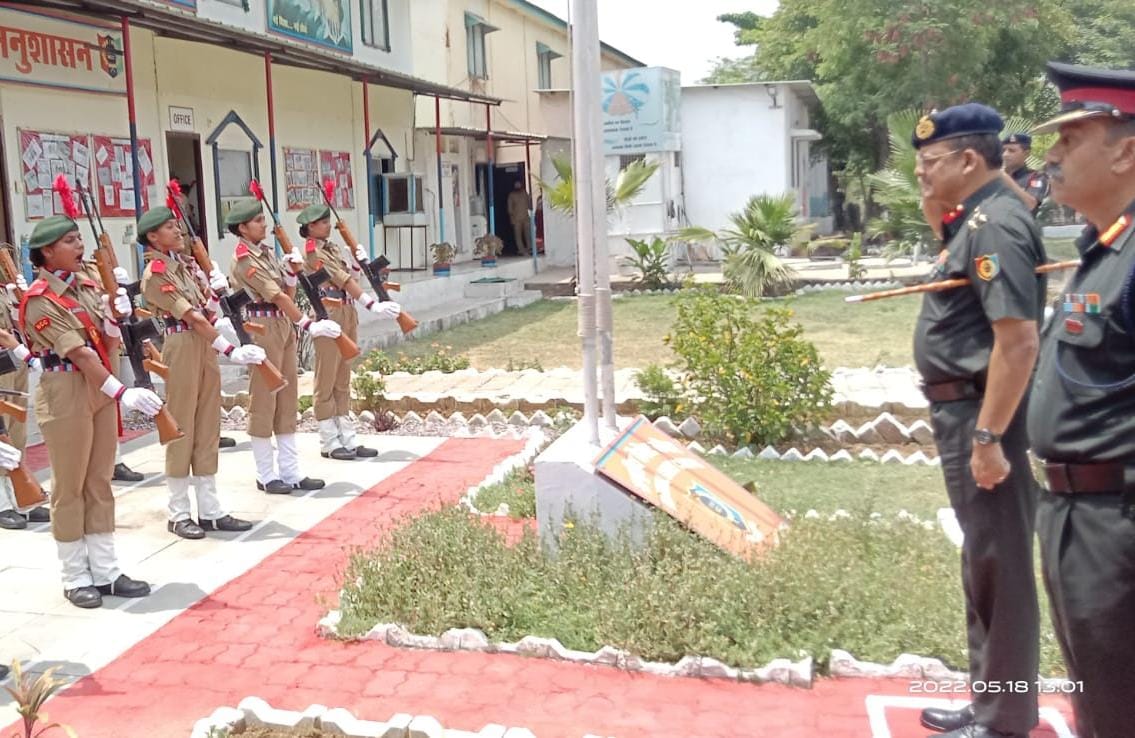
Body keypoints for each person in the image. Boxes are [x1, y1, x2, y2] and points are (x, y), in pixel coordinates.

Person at [910, 104, 1045, 738]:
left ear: (969, 159)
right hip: (963, 410)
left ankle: (1005, 718)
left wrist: (989, 438)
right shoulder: (971, 221)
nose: (921, 174)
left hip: (982, 414)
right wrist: (933, 197)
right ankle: (990, 702)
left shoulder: (994, 225)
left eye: (930, 163)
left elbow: (1017, 342)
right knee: (983, 560)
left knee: (1002, 564)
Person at [1027, 62, 1135, 738]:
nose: (1050, 155)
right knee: (1101, 704)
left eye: (1070, 138)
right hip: (1078, 518)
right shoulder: (1106, 249)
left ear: (1125, 146)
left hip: (1116, 525)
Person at [19, 215, 155, 608]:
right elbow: (78, 351)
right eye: (71, 241)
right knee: (70, 485)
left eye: (80, 239)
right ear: (47, 252)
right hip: (66, 393)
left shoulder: (88, 286)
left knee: (99, 479)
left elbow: (104, 338)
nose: (80, 248)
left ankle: (106, 569)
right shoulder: (40, 298)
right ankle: (75, 574)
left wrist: (116, 317)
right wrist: (120, 392)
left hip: (96, 388)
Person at [138, 206, 260, 540]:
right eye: (169, 227)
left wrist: (215, 288)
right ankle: (178, 513)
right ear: (152, 237)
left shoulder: (185, 268)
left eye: (178, 226)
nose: (178, 231)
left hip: (202, 345)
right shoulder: (157, 272)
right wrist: (229, 348)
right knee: (182, 428)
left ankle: (210, 510)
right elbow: (190, 317)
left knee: (207, 424)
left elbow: (204, 310)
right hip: (181, 345)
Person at [226, 198, 339, 493]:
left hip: (281, 325)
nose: (264, 225)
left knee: (287, 397)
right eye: (258, 221)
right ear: (242, 227)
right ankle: (266, 474)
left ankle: (290, 472)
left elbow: (287, 290)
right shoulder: (245, 259)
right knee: (265, 399)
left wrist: (290, 272)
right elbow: (276, 296)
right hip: (262, 327)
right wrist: (306, 323)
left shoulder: (264, 254)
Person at [296, 203, 401, 459]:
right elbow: (340, 280)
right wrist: (371, 303)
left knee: (343, 378)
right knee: (327, 378)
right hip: (328, 313)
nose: (328, 225)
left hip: (345, 310)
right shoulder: (312, 251)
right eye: (322, 222)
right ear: (311, 227)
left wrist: (357, 263)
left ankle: (348, 437)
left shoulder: (330, 247)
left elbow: (347, 276)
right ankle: (329, 440)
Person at [0, 258, 49, 529]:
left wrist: (21, 299)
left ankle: (21, 498)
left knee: (15, 432)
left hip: (12, 364)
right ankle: (2, 504)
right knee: (1, 435)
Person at [1000, 133, 1049, 217]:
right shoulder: (994, 178)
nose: (1005, 155)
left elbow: (1031, 205)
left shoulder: (1036, 177)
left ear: (1026, 153)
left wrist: (1005, 178)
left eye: (1011, 151)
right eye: (1003, 150)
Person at [506, 180, 532, 256]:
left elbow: (529, 204)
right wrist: (512, 219)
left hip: (526, 218)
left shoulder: (524, 193)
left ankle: (530, 248)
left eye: (519, 184)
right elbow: (509, 209)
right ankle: (521, 250)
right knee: (518, 236)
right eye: (516, 184)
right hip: (516, 219)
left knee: (528, 234)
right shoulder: (511, 195)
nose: (518, 186)